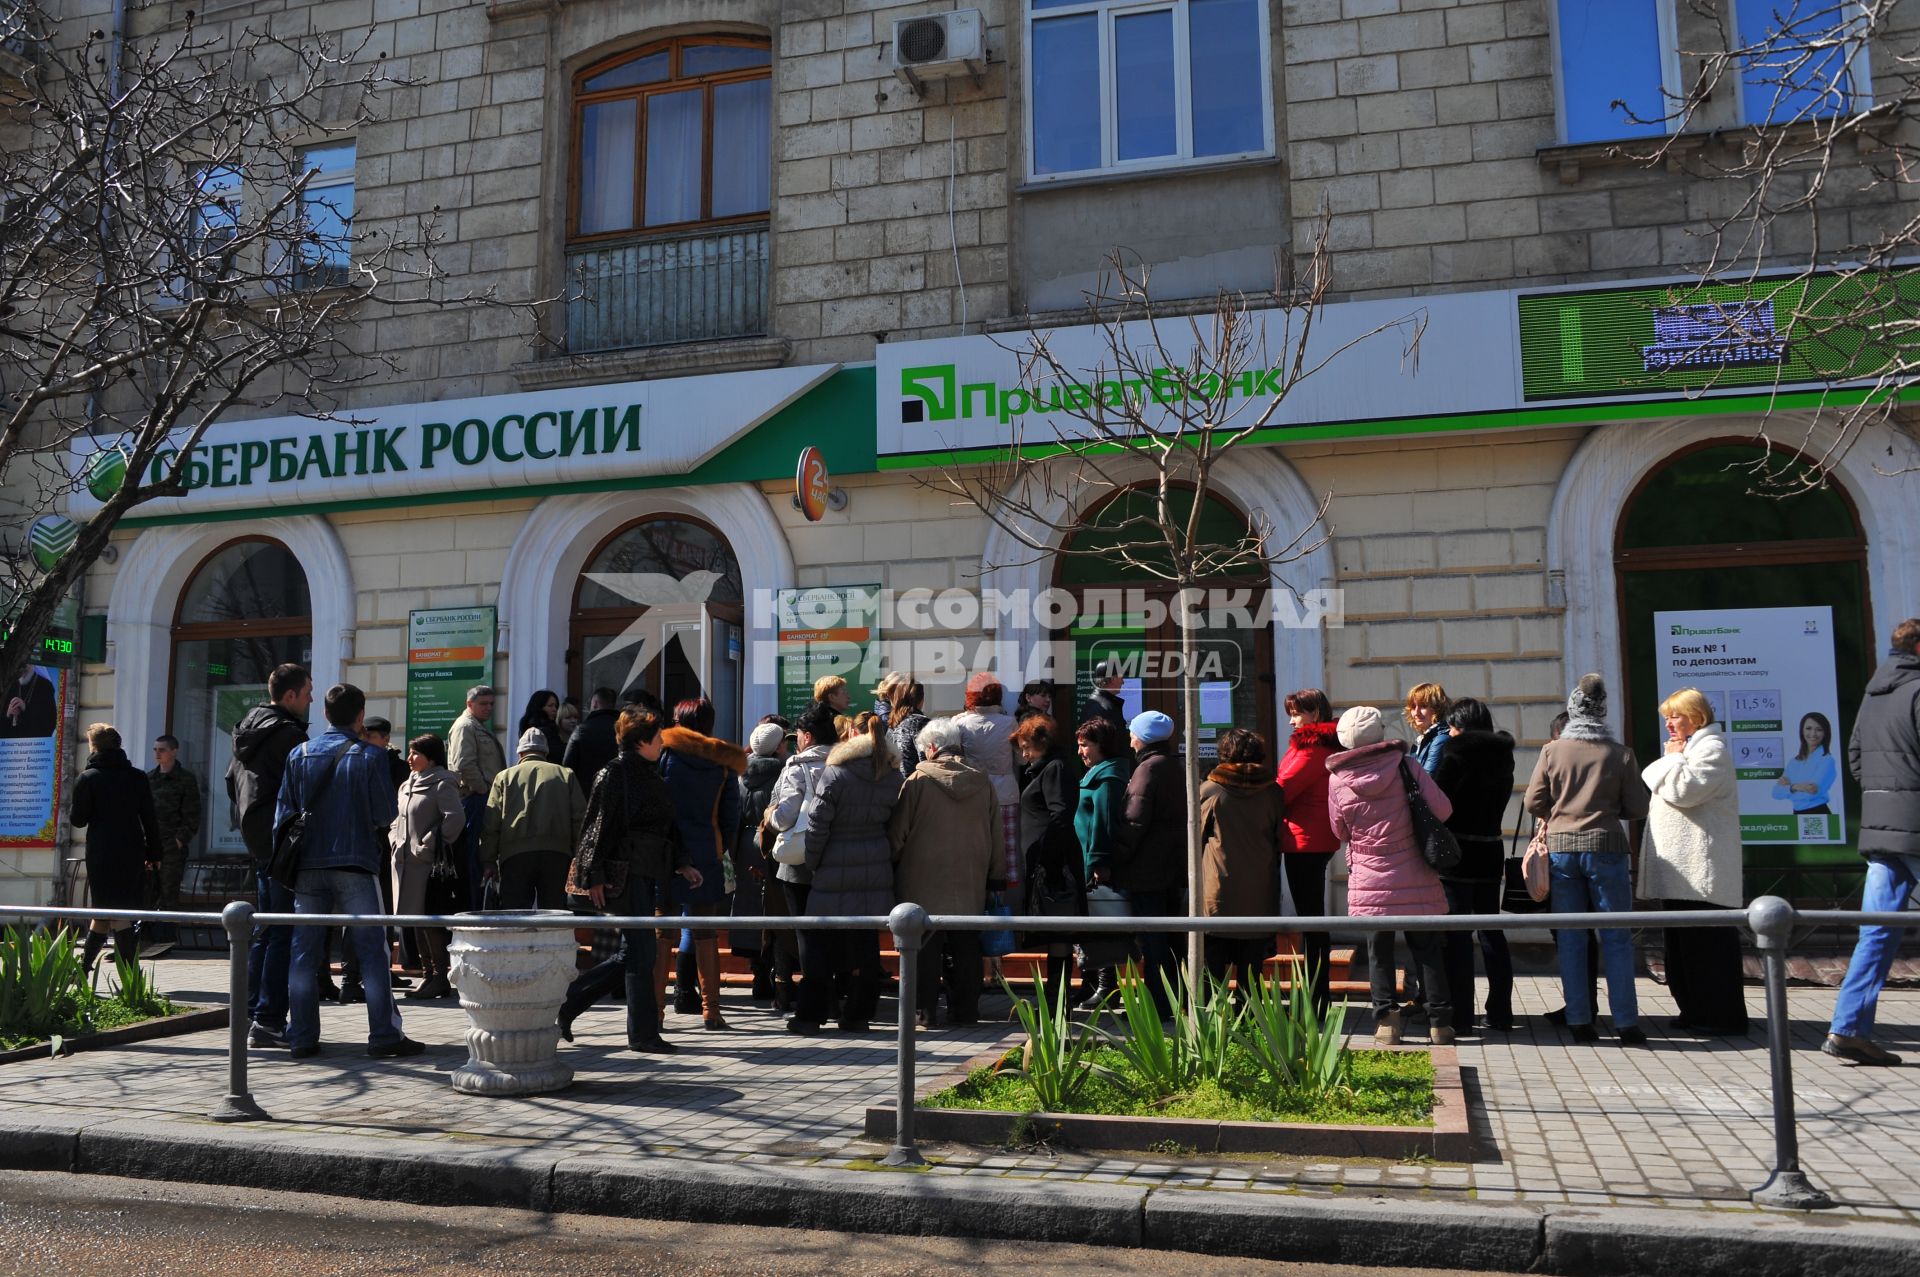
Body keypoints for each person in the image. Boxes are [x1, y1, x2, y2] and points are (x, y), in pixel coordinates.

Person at [276, 683, 418, 1059]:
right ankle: (384, 1034)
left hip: (307, 865)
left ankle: (302, 1036)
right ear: (360, 716)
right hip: (355, 862)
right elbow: (385, 814)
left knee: (304, 954)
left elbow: (283, 815)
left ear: (324, 713)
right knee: (372, 951)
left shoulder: (299, 753)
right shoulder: (371, 757)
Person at [559, 706, 704, 1054]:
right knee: (640, 952)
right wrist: (592, 875)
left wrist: (683, 863)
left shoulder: (651, 774)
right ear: (642, 741)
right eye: (658, 736)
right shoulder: (614, 774)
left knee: (635, 952)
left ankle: (568, 1003)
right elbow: (595, 828)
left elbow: (667, 825)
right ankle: (642, 1035)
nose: (663, 741)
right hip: (621, 875)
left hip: (647, 871)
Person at [1523, 673, 1650, 1046]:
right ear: (1602, 712)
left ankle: (1580, 1021)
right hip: (1608, 847)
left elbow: (1533, 802)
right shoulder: (1620, 753)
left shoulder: (1552, 751)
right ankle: (1627, 1023)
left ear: (1573, 711)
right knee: (1616, 937)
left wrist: (1561, 812)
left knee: (1572, 937)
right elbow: (1638, 807)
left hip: (1562, 849)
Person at [1326, 705, 1454, 1046]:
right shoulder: (1407, 766)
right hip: (1415, 871)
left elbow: (1339, 830)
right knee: (1426, 949)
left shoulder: (1338, 779)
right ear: (1380, 732)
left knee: (1378, 952)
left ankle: (1386, 1022)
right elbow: (1443, 809)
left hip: (1370, 880)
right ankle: (1439, 1023)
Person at [1825, 618, 1920, 1066]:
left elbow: (1855, 758)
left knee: (1876, 932)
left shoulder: (1873, 694)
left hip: (1882, 826)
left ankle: (1848, 1029)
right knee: (1877, 931)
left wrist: (1885, 799)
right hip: (1916, 825)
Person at [1640, 688, 1748, 1037]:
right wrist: (1673, 758)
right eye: (1667, 718)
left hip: (1701, 870)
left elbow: (1685, 791)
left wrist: (1671, 759)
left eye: (1676, 716)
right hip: (1682, 871)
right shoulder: (1688, 749)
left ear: (1697, 717)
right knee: (1683, 948)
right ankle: (1694, 1009)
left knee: (1708, 948)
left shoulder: (1712, 750)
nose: (1669, 724)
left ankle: (1720, 1016)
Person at [791, 715, 902, 1035]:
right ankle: (858, 1015)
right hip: (875, 867)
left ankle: (810, 1014)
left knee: (819, 944)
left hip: (833, 866)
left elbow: (817, 824)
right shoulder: (891, 777)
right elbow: (894, 825)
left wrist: (814, 861)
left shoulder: (835, 774)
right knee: (865, 945)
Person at [889, 718, 1002, 1027]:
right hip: (970, 879)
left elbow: (898, 834)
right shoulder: (983, 782)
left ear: (933, 749)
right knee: (966, 947)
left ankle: (923, 1012)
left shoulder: (916, 781)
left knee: (923, 949)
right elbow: (996, 834)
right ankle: (966, 1011)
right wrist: (995, 876)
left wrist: (895, 861)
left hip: (920, 879)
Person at [227, 663, 314, 1048]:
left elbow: (232, 782)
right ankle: (268, 1021)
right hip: (282, 840)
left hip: (257, 837)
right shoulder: (288, 735)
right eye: (308, 690)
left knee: (263, 929)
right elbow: (302, 789)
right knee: (280, 930)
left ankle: (250, 1013)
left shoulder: (248, 728)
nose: (312, 697)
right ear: (291, 695)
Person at [658, 698, 747, 1030]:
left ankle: (656, 1013)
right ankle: (712, 1011)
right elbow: (730, 817)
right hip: (708, 850)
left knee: (661, 932)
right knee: (705, 932)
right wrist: (725, 852)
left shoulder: (663, 755)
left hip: (665, 853)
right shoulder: (722, 763)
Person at [1432, 698, 1517, 1034]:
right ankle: (1501, 1012)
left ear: (1460, 725)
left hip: (1457, 853)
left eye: (1451, 725)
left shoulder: (1454, 753)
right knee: (1491, 932)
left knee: (1457, 935)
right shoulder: (1504, 754)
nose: (1449, 731)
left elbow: (1438, 801)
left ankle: (1462, 1016)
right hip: (1490, 848)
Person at [1198, 727, 1287, 993]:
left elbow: (1196, 836)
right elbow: (1278, 835)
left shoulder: (1211, 790)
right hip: (1260, 885)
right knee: (1252, 965)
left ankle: (1213, 1023)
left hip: (1219, 888)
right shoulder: (1272, 791)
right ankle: (1250, 1022)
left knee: (1213, 966)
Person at [70, 724, 163, 974]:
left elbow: (78, 819)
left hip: (101, 852)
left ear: (94, 746)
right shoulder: (137, 777)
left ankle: (130, 976)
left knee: (114, 912)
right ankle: (84, 969)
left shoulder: (88, 778)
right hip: (132, 850)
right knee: (106, 913)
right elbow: (150, 819)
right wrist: (155, 854)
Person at [766, 703, 837, 1016]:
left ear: (807, 736)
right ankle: (834, 1001)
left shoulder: (798, 767)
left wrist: (769, 814)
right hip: (836, 859)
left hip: (800, 862)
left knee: (805, 934)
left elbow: (784, 817)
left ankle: (812, 1007)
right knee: (833, 932)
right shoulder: (846, 763)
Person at [1275, 689, 1341, 1015]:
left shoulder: (1310, 749)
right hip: (1313, 840)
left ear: (1315, 713)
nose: (1291, 719)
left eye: (1297, 712)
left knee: (1312, 922)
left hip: (1305, 842)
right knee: (1312, 920)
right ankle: (1316, 995)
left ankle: (1316, 998)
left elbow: (1282, 789)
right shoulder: (1317, 745)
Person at [1118, 709, 1186, 1015]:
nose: (1130, 739)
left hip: (1149, 868)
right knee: (1171, 937)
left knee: (1153, 938)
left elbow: (1134, 821)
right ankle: (1175, 997)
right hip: (1173, 866)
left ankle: (1158, 1003)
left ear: (1143, 738)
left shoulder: (1147, 770)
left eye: (1133, 733)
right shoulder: (1174, 766)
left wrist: (1118, 857)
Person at [390, 734, 465, 1001]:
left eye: (415, 753)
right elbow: (397, 818)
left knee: (430, 921)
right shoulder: (406, 784)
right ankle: (427, 974)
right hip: (404, 864)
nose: (409, 759)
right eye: (409, 753)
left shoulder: (443, 783)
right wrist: (394, 839)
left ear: (431, 757)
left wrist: (429, 843)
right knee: (416, 921)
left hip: (428, 867)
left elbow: (455, 819)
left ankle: (439, 976)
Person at [340, 717, 410, 1002]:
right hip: (365, 845)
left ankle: (369, 974)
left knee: (378, 913)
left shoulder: (384, 761)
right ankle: (351, 978)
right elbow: (385, 809)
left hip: (367, 844)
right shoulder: (360, 759)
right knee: (358, 915)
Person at [1012, 715, 1082, 995]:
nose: (1024, 754)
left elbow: (1061, 815)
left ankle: (1057, 1002)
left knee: (1059, 930)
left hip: (1055, 864)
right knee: (1056, 931)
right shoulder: (1048, 768)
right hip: (1051, 860)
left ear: (1043, 742)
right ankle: (1056, 1001)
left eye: (1027, 747)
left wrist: (1048, 861)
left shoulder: (1054, 768)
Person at [486, 726, 588, 911]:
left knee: (515, 915)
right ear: (545, 752)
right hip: (557, 856)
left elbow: (491, 824)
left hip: (514, 857)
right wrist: (577, 856)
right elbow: (579, 819)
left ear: (521, 752)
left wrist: (488, 861)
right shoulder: (566, 775)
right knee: (555, 915)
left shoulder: (504, 777)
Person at [1073, 716, 1132, 1005]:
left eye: (1085, 745)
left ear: (1102, 746)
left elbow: (1104, 822)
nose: (1080, 751)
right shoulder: (1098, 773)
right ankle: (1095, 982)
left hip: (1097, 865)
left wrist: (1099, 862)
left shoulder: (1108, 778)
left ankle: (1107, 985)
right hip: (1087, 859)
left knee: (1102, 922)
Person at [953, 674, 1022, 897]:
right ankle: (1004, 902)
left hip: (972, 793)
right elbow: (1021, 759)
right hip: (1006, 793)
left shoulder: (959, 723)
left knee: (975, 848)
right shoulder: (1010, 722)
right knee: (1007, 852)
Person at [739, 719, 788, 1004]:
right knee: (777, 913)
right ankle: (777, 979)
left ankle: (758, 974)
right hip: (774, 845)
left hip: (746, 847)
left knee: (751, 912)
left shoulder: (739, 775)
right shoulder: (784, 774)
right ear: (778, 746)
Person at [448, 685, 505, 908]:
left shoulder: (477, 726)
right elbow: (464, 765)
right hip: (474, 800)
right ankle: (473, 911)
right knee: (474, 861)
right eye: (484, 704)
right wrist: (484, 790)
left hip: (481, 799)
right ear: (469, 704)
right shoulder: (465, 726)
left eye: (492, 704)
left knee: (481, 860)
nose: (489, 708)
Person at [146, 733, 202, 957]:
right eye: (155, 750)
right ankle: (145, 941)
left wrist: (180, 840)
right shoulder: (150, 779)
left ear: (174, 751)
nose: (157, 754)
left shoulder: (185, 779)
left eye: (162, 749)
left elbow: (192, 814)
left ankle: (166, 942)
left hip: (171, 847)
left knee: (169, 895)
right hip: (150, 846)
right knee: (147, 894)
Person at [1772, 711, 1838, 814]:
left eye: (1819, 730)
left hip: (1818, 812)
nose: (1813, 734)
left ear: (1825, 733)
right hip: (1796, 813)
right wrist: (1797, 787)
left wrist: (1789, 787)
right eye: (1808, 728)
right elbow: (1776, 792)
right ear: (1802, 731)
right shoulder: (1794, 762)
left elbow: (1812, 791)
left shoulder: (1827, 760)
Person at [564, 687, 621, 796]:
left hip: (587, 794)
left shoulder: (581, 730)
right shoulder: (624, 730)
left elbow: (567, 767)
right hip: (618, 795)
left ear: (594, 704)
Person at [884, 677, 930, 778]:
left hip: (895, 784)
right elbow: (927, 761)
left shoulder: (892, 724)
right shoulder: (921, 722)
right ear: (921, 699)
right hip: (916, 785)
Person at [1406, 683, 1451, 775]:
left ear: (1437, 708)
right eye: (1413, 707)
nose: (1416, 712)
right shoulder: (1424, 738)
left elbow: (1426, 779)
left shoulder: (1440, 739)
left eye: (1423, 706)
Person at [1, 666, 56, 737]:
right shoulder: (10, 685)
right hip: (10, 745)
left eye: (27, 663)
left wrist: (25, 708)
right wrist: (8, 715)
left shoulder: (45, 686)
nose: (24, 668)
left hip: (34, 744)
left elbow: (50, 722)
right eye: (21, 664)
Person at [1081, 661, 1127, 735]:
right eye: (1121, 677)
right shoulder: (1101, 708)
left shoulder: (1102, 704)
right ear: (1113, 679)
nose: (1123, 682)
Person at [516, 689, 562, 761]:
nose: (554, 709)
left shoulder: (528, 728)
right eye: (550, 706)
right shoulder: (543, 731)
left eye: (556, 706)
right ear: (539, 708)